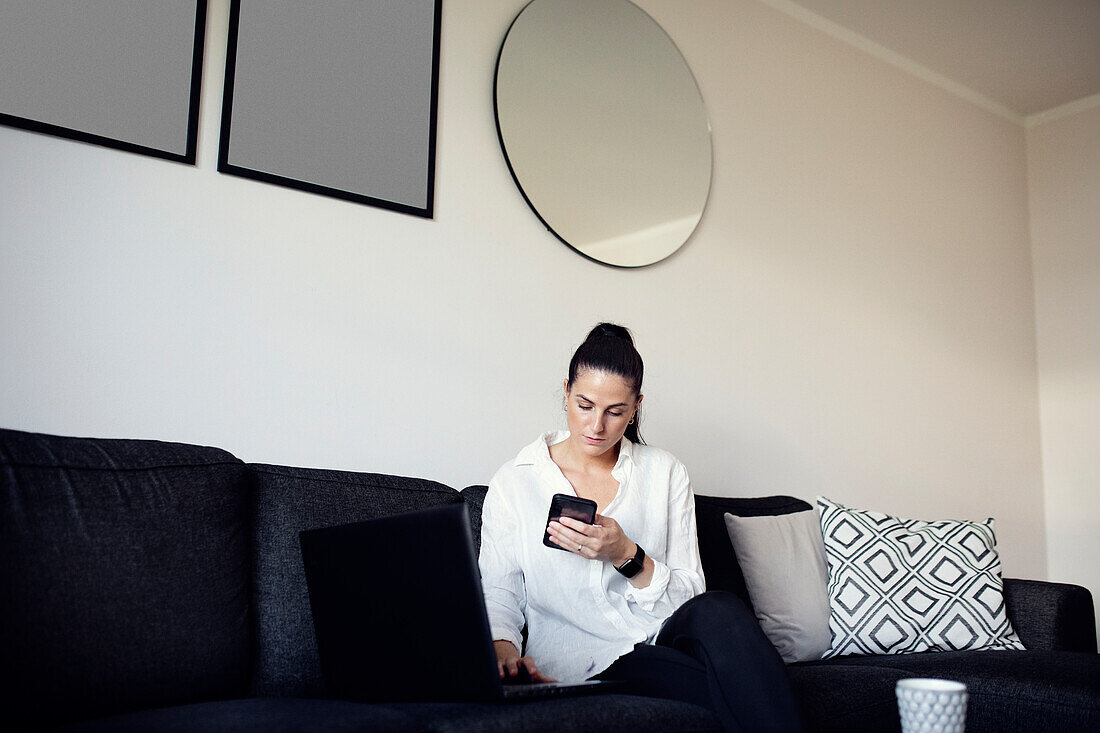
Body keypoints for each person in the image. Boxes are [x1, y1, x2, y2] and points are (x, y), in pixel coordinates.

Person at [478, 323, 802, 732]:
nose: (596, 426)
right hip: (582, 659)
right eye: (584, 405)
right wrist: (503, 654)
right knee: (741, 691)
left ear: (636, 407)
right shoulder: (516, 480)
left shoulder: (666, 473)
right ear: (565, 391)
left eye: (615, 412)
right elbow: (499, 593)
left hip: (662, 636)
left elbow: (689, 600)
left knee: (720, 608)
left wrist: (625, 555)